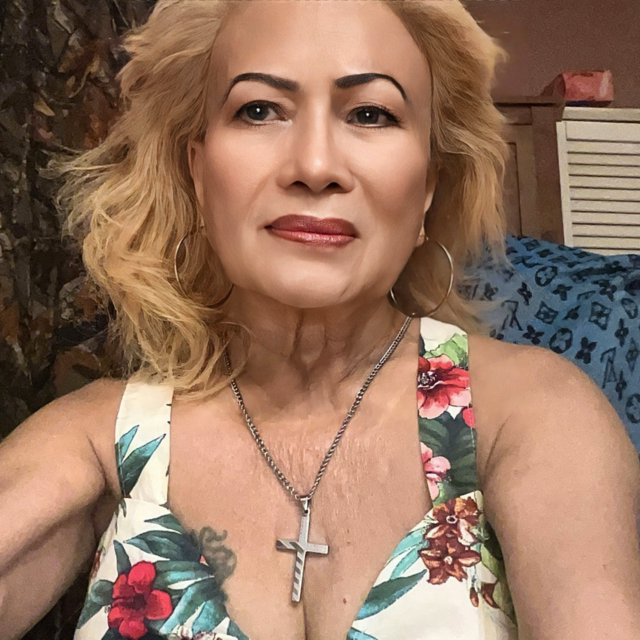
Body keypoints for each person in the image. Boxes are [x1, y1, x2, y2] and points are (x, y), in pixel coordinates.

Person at [1, 1, 638, 639]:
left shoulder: (534, 413)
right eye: (258, 110)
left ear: (427, 188)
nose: (314, 167)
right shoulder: (100, 437)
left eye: (370, 113)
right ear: (198, 172)